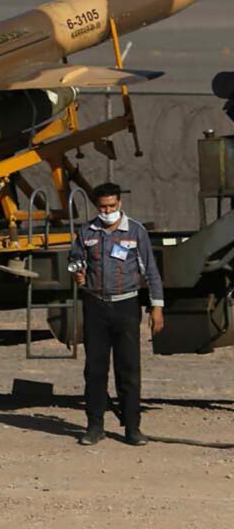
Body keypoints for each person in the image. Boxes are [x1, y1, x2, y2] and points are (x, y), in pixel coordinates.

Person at [69, 183, 165, 446]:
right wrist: (77, 271)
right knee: (95, 370)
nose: (107, 211)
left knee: (129, 369)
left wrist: (157, 306)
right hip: (95, 306)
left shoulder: (135, 231)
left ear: (119, 203)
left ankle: (132, 428)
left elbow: (151, 271)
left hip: (126, 306)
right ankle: (94, 427)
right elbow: (75, 259)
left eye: (111, 206)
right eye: (102, 207)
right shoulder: (86, 231)